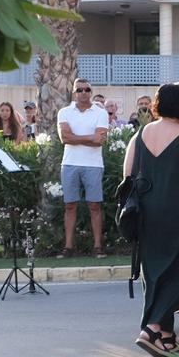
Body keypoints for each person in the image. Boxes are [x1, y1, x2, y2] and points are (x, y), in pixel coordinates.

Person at [124, 83, 179, 356]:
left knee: (155, 272)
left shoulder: (140, 134)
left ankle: (166, 334)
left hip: (147, 213)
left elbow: (127, 174)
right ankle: (150, 328)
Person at [56, 80, 110, 257]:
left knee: (95, 205)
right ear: (74, 92)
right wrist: (90, 138)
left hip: (93, 164)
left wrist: (75, 137)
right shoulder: (64, 112)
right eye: (79, 90)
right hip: (70, 163)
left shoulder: (101, 112)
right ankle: (69, 246)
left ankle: (97, 246)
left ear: (91, 91)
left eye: (87, 89)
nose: (84, 92)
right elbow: (65, 138)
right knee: (70, 205)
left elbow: (100, 141)